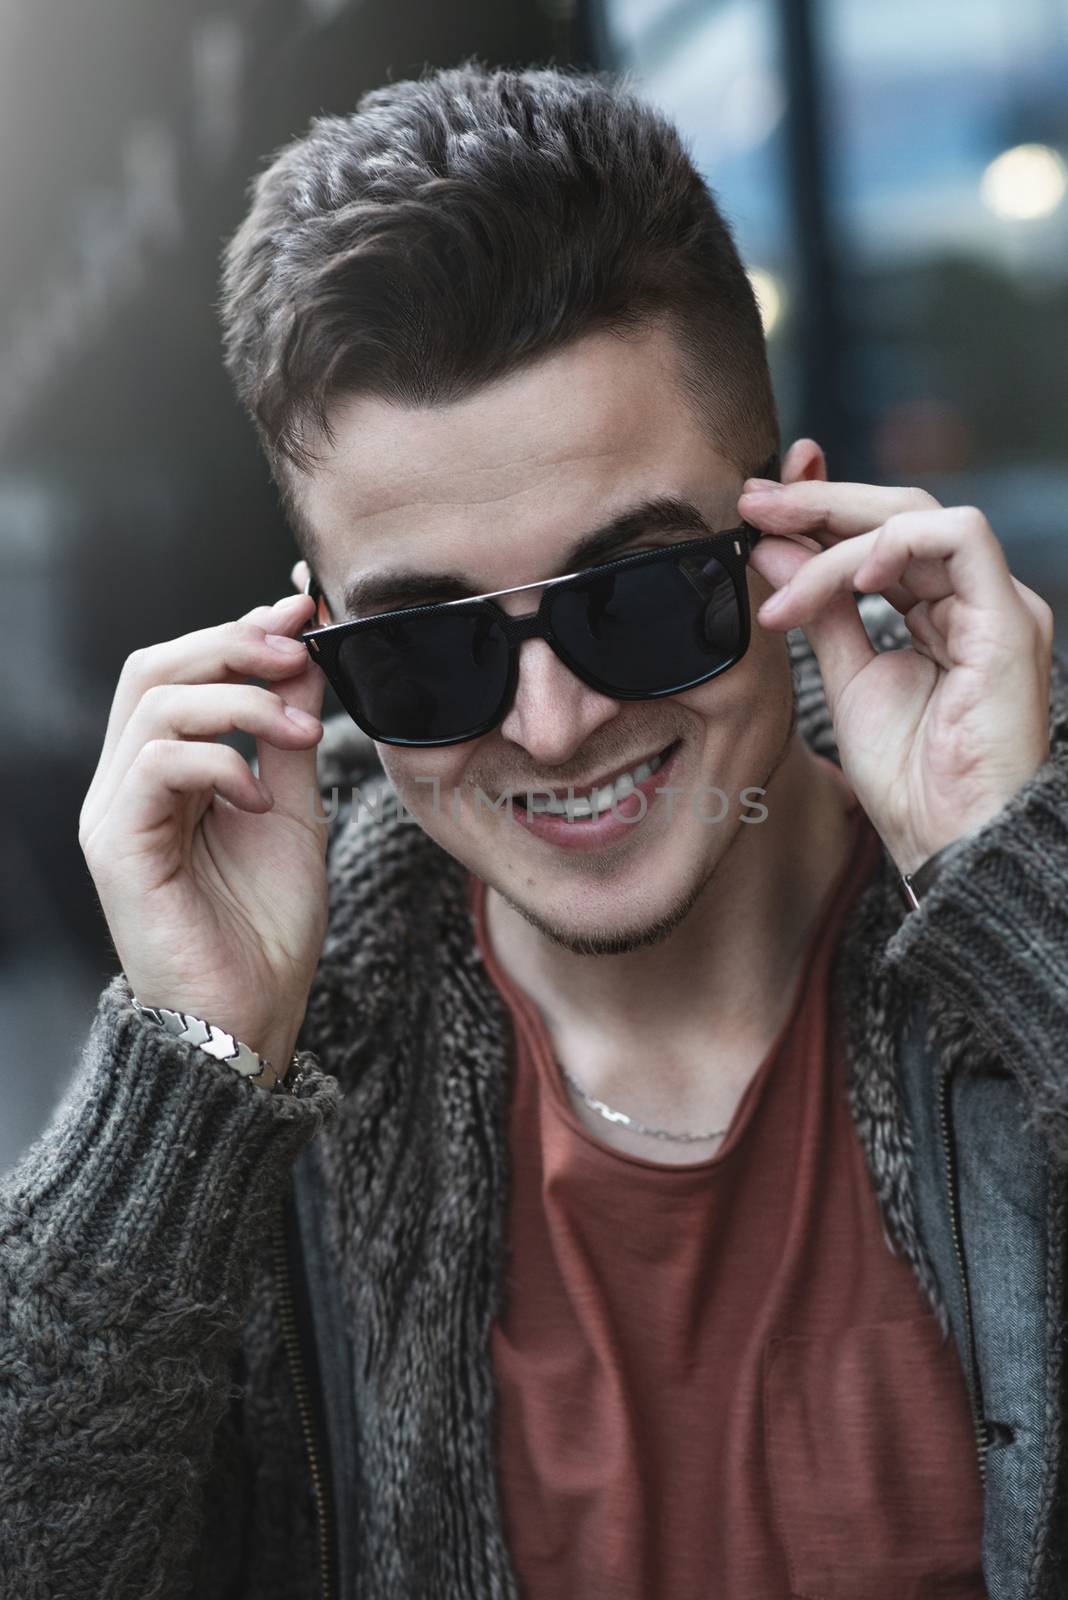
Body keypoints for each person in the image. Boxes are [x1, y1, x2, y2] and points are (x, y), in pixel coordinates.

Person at [2, 58, 1066, 1600]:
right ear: (320, 653)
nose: (554, 725)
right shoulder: (285, 1068)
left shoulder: (1024, 910)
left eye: (636, 599)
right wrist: (191, 1066)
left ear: (792, 538)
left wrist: (1017, 890)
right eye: (429, 652)